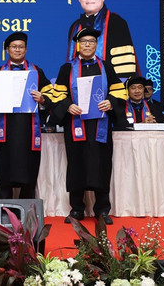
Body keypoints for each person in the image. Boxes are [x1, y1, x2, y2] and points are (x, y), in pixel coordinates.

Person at [45, 28, 126, 225]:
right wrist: (67, 105)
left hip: (100, 125)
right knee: (76, 164)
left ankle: (102, 209)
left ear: (96, 45)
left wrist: (110, 102)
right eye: (84, 41)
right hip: (76, 124)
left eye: (91, 41)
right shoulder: (67, 69)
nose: (88, 44)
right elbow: (58, 95)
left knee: (102, 164)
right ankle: (77, 209)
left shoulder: (106, 67)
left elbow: (120, 92)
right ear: (78, 45)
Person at [0, 32, 53, 199]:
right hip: (7, 130)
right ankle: (3, 211)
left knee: (28, 170)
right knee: (5, 171)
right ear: (7, 49)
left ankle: (27, 213)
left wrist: (42, 99)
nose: (18, 49)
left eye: (21, 47)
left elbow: (51, 96)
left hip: (29, 130)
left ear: (26, 50)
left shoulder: (37, 72)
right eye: (14, 46)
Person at [66, 0, 137, 82]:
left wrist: (113, 97)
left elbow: (125, 71)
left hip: (110, 92)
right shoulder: (74, 27)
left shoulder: (116, 23)